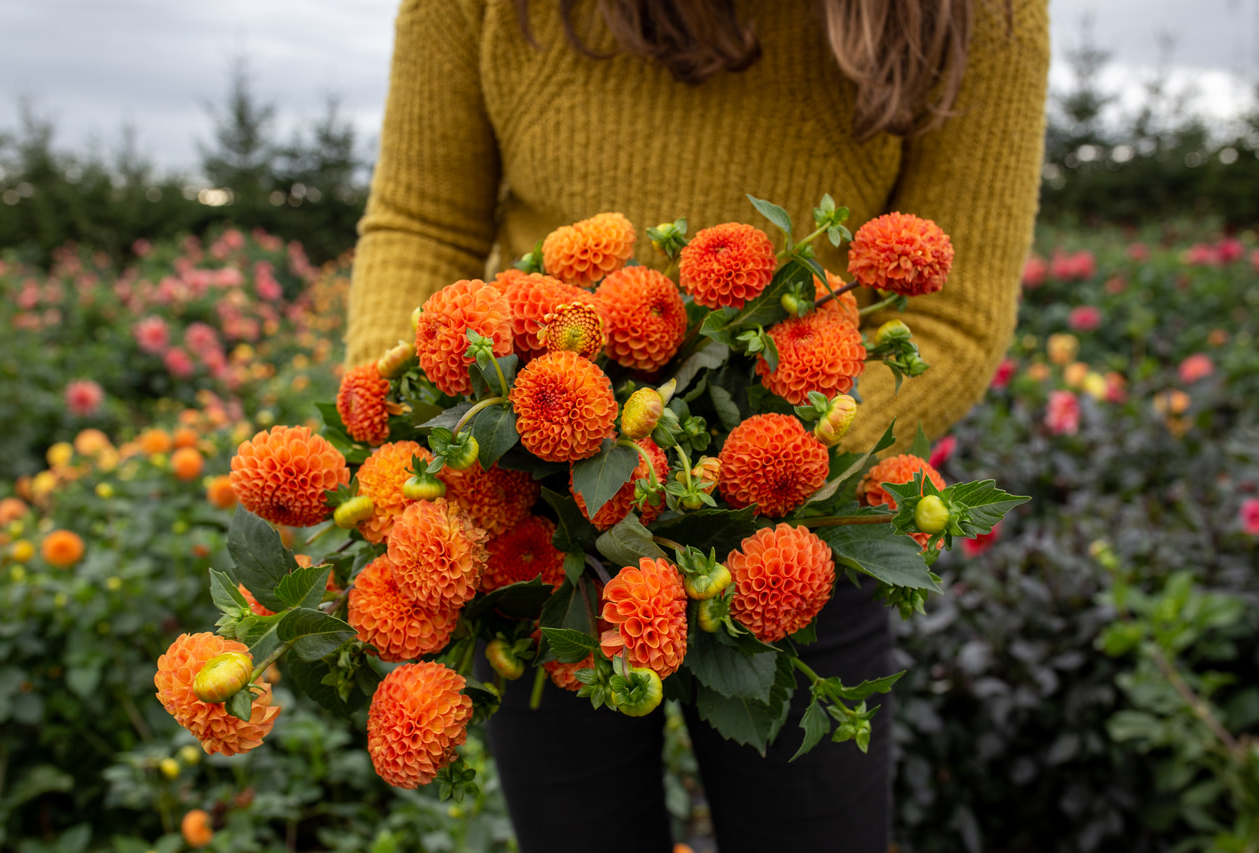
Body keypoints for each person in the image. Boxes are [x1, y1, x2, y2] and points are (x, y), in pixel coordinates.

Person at [344, 1, 1049, 850]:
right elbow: (424, 223)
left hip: (804, 515)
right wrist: (419, 430)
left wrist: (755, 470)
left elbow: (957, 311)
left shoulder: (977, 14)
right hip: (535, 520)